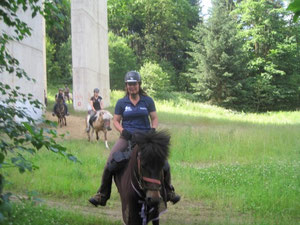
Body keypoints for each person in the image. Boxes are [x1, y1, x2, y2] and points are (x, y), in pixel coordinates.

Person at [88, 71, 180, 207]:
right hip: (127, 136)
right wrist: (123, 131)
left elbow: (154, 118)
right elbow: (116, 121)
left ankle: (168, 191)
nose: (132, 87)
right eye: (129, 84)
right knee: (110, 162)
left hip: (146, 138)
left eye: (134, 84)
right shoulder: (121, 102)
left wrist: (153, 130)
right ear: (126, 86)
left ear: (139, 85)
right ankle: (102, 194)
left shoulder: (147, 101)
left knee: (164, 162)